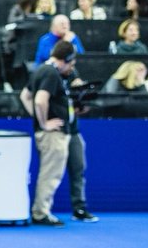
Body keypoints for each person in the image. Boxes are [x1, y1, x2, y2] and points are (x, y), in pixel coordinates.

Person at [19, 40, 95, 225]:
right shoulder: (50, 72)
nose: (72, 68)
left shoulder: (44, 71)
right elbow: (39, 100)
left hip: (65, 129)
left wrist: (38, 118)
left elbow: (25, 96)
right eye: (72, 63)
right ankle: (40, 212)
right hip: (53, 133)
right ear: (65, 60)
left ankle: (47, 210)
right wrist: (44, 123)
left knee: (63, 170)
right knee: (51, 173)